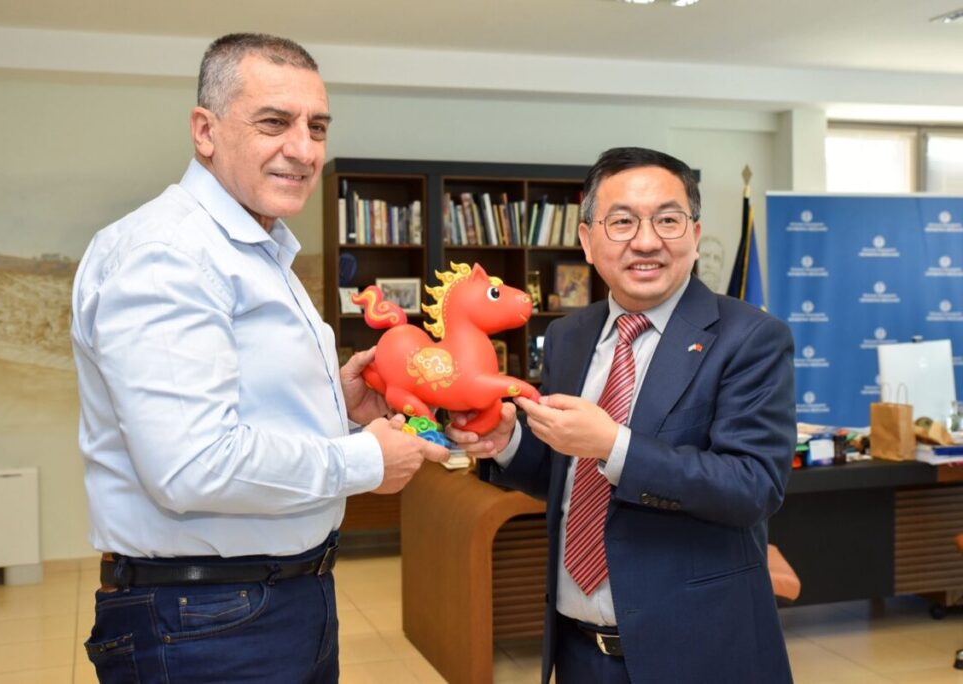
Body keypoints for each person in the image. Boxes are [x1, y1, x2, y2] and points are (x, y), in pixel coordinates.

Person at [71, 33, 448, 683]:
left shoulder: (255, 248)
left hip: (277, 600)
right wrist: (365, 460)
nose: (304, 150)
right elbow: (191, 465)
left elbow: (237, 399)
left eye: (317, 127)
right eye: (274, 123)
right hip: (205, 620)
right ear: (205, 131)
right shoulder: (168, 254)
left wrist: (334, 406)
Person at [449, 147, 796, 683]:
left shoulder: (750, 338)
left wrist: (614, 445)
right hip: (579, 651)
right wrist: (509, 441)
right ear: (587, 241)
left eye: (668, 220)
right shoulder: (569, 336)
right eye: (622, 222)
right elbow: (569, 475)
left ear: (695, 235)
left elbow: (752, 486)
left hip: (698, 654)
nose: (647, 240)